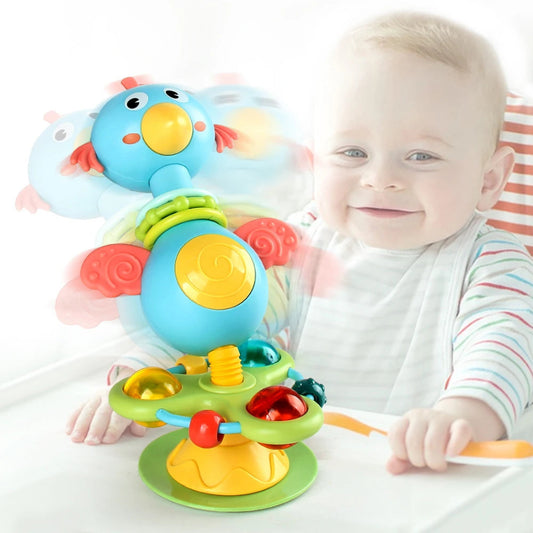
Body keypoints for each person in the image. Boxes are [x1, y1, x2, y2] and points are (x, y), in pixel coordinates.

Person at [68, 11, 533, 476]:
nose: (380, 179)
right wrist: (143, 379)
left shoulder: (492, 262)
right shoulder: (300, 243)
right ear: (316, 160)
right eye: (353, 152)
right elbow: (220, 323)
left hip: (418, 473)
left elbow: (503, 346)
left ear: (489, 179)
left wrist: (460, 417)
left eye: (422, 156)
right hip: (293, 462)